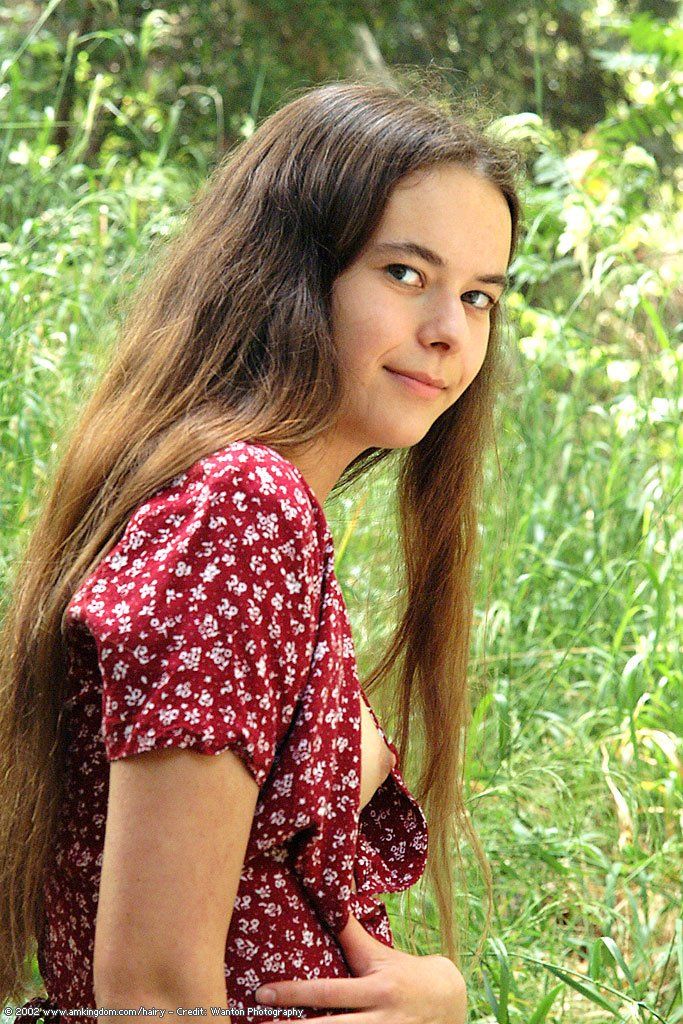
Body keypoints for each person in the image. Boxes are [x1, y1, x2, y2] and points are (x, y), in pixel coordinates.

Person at [0, 78, 521, 1022]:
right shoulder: (242, 505)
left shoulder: (241, 503)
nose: (449, 332)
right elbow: (152, 997)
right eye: (405, 274)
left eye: (479, 296)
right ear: (290, 272)